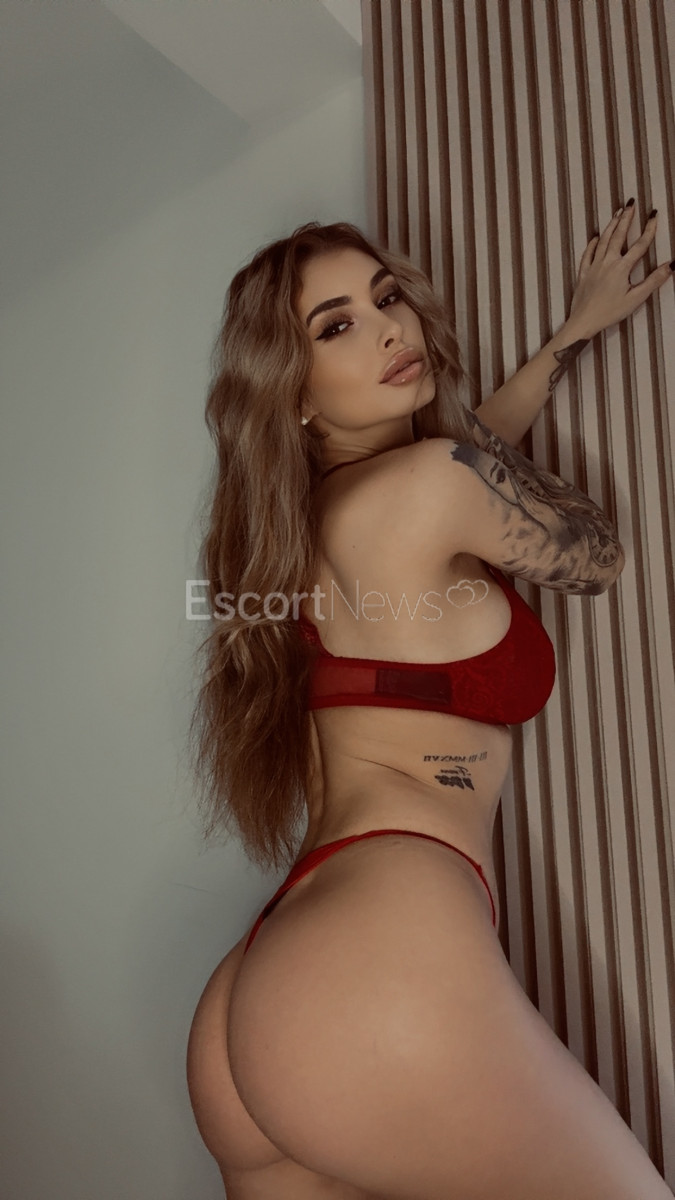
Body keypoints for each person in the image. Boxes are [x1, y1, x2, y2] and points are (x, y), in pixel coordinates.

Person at [186, 213, 675, 1200]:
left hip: (257, 994)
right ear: (292, 395)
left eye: (386, 299)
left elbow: (461, 471)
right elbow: (593, 553)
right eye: (336, 326)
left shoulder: (290, 541)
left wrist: (565, 340)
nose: (387, 328)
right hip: (379, 963)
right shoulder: (428, 484)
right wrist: (481, 425)